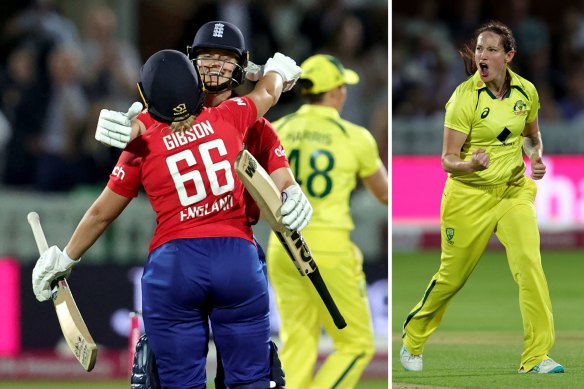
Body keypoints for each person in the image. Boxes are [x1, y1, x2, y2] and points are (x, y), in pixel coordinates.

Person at [32, 48, 303, 388]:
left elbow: (101, 213)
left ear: (145, 97)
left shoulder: (142, 137)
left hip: (175, 265)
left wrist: (65, 258)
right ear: (196, 85)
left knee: (178, 382)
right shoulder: (232, 115)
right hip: (237, 258)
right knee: (251, 379)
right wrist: (275, 69)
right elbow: (267, 92)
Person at [399, 20, 564, 375]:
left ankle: (536, 356)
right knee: (451, 278)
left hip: (512, 191)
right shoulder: (463, 98)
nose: (482, 56)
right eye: (478, 49)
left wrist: (535, 157)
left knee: (530, 266)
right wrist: (470, 164)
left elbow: (532, 136)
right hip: (467, 197)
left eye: (490, 49)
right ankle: (413, 337)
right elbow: (447, 159)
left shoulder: (526, 93)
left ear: (509, 56)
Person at [266, 54, 389, 389]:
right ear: (333, 92)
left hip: (282, 245)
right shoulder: (354, 136)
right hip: (329, 248)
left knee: (298, 340)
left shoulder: (277, 129)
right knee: (356, 345)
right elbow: (384, 194)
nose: (345, 93)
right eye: (342, 86)